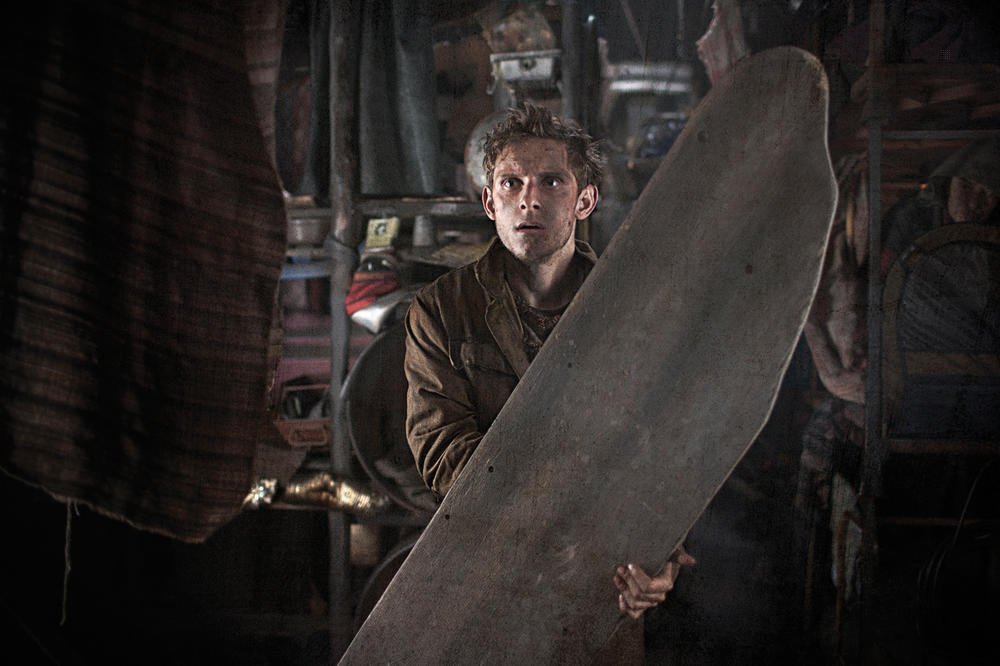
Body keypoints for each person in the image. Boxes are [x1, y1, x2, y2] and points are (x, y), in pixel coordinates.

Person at [403, 102, 695, 660]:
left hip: (603, 585)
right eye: (511, 183)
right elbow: (441, 450)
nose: (529, 199)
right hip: (486, 578)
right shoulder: (441, 311)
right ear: (489, 202)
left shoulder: (635, 309)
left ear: (585, 200)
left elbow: (664, 448)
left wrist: (661, 558)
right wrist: (561, 514)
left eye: (552, 181)